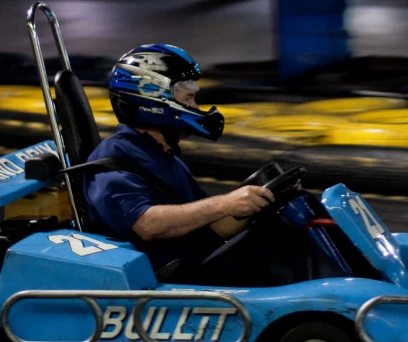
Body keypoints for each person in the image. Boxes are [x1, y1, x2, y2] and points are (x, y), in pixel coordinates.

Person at [82, 44, 275, 277]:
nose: (195, 108)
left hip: (194, 263)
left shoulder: (166, 158)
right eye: (189, 98)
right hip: (159, 281)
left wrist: (261, 203)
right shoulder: (113, 157)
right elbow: (146, 225)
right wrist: (223, 203)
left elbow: (213, 226)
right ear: (152, 100)